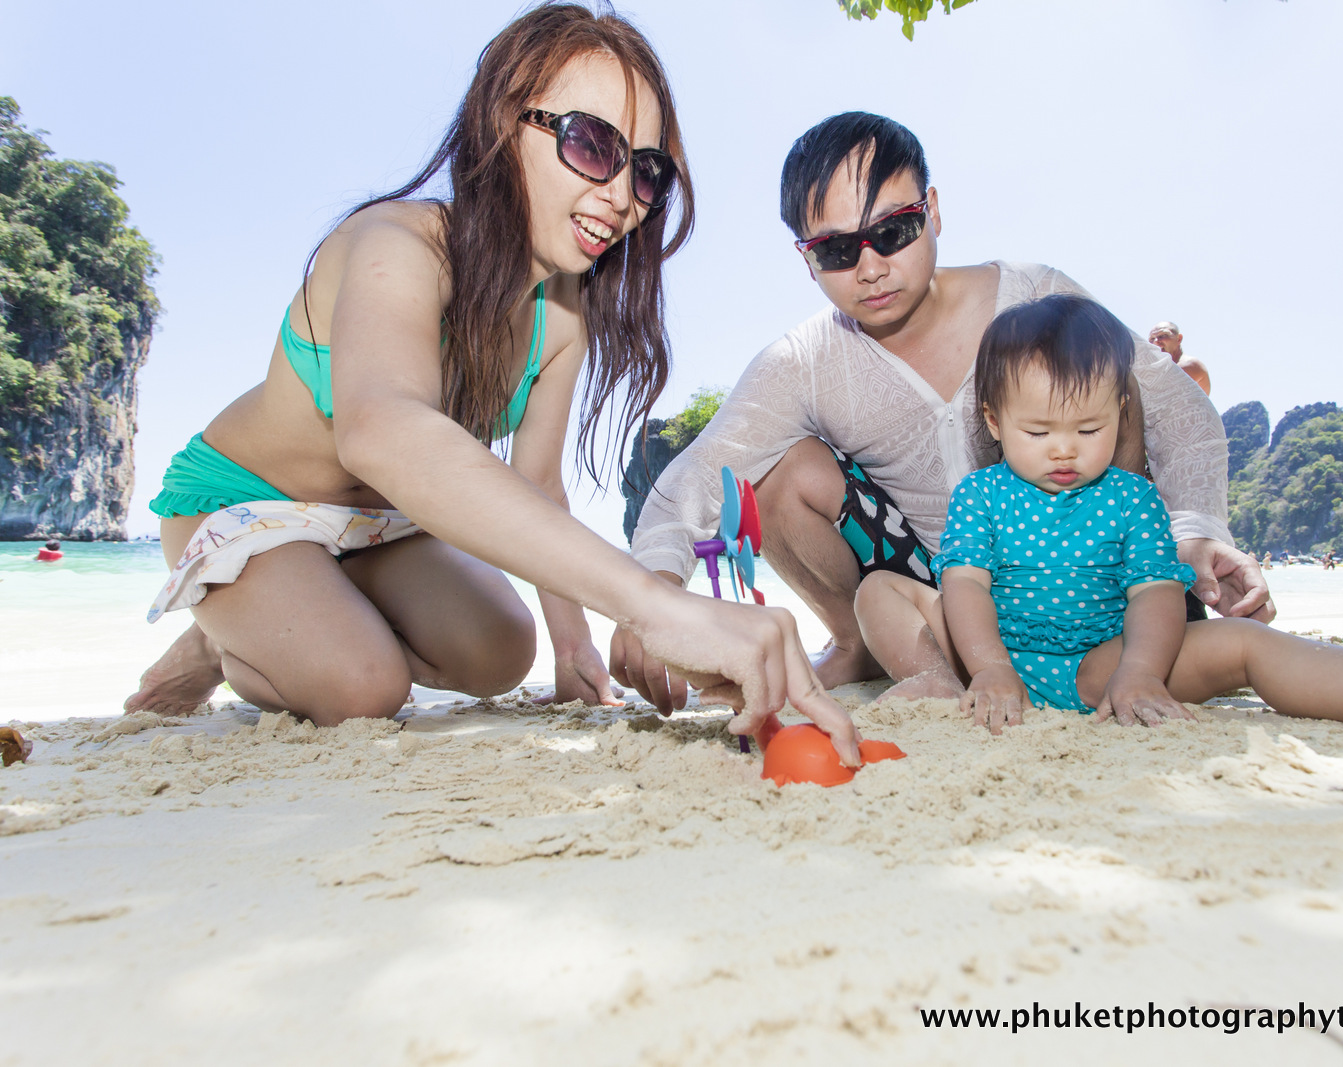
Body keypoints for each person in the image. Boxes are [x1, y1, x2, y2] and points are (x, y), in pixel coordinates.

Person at [120, 4, 862, 765]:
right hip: (246, 504)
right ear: (505, 125)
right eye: (592, 144)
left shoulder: (562, 319)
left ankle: (301, 609)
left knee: (502, 650)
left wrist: (575, 649)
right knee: (361, 688)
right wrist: (656, 605)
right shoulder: (395, 244)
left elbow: (537, 484)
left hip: (381, 526)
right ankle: (224, 640)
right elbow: (380, 427)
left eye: (646, 170)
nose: (620, 196)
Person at [614, 112, 1270, 711]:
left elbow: (1181, 411)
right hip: (939, 594)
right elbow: (699, 474)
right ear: (806, 258)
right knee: (782, 470)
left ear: (931, 210)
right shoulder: (804, 362)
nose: (870, 267)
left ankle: (1127, 637)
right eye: (837, 250)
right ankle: (861, 644)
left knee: (1114, 385)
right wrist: (650, 598)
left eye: (892, 231)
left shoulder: (1032, 296)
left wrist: (1196, 531)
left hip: (1088, 577)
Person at [850, 294, 1343, 733]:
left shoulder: (1131, 497)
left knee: (1245, 642)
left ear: (1121, 413)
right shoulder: (982, 493)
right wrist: (987, 667)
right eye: (1038, 431)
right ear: (994, 420)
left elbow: (1155, 595)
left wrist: (1141, 672)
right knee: (881, 589)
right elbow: (966, 585)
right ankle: (939, 685)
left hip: (1100, 663)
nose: (1065, 449)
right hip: (985, 655)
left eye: (1089, 427)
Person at [1146, 321, 1211, 394]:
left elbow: (1158, 394)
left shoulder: (1190, 364)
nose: (1156, 341)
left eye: (1163, 335)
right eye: (1152, 339)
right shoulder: (1161, 368)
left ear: (1179, 339)